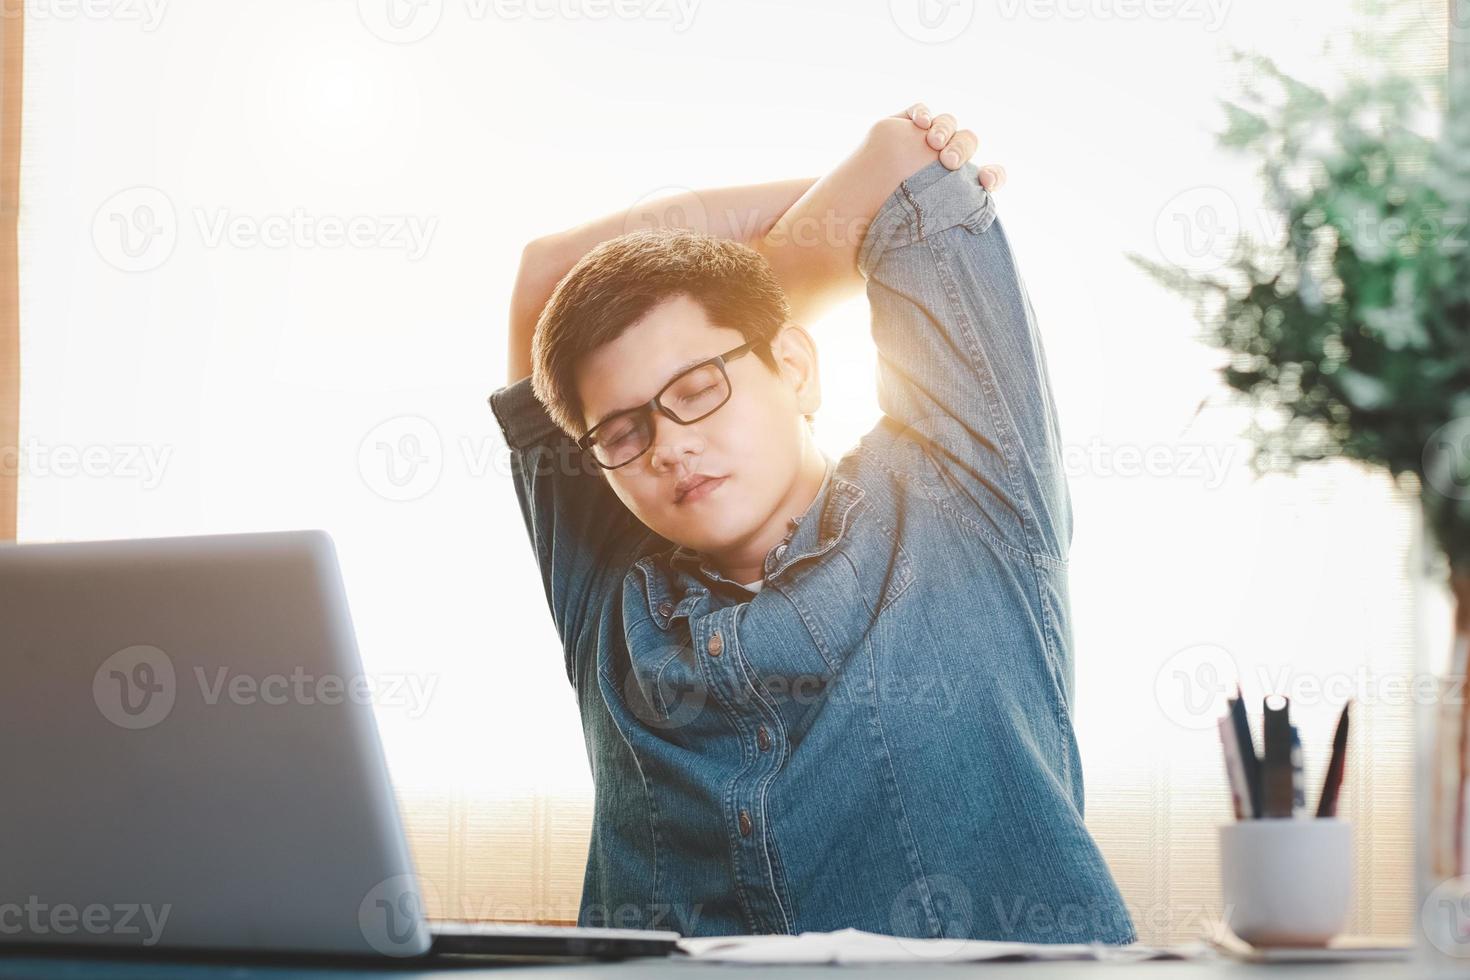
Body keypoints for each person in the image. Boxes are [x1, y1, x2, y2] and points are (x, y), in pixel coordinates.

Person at [488, 103, 1136, 943]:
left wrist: (820, 232)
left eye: (697, 390)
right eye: (624, 430)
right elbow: (545, 274)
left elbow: (901, 162)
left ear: (794, 367)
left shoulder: (961, 496)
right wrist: (823, 225)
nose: (670, 448)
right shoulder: (607, 593)